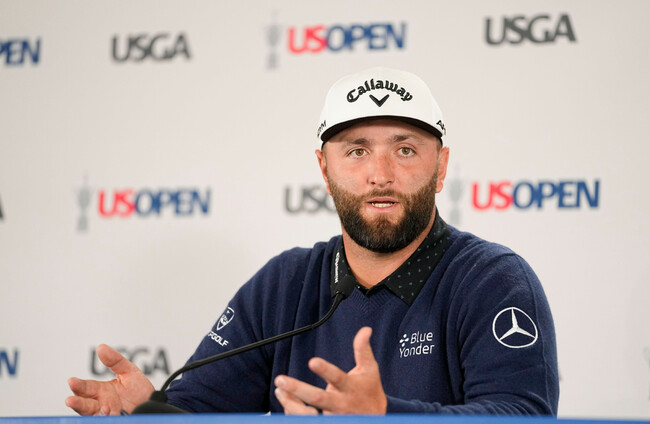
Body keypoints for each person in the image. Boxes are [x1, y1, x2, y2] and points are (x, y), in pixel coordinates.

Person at [66, 67, 559, 416]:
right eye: (356, 151)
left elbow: (522, 415)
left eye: (405, 150)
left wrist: (385, 415)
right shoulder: (284, 284)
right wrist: (149, 414)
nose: (380, 174)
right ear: (324, 169)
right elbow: (199, 412)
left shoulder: (492, 279)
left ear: (441, 167)